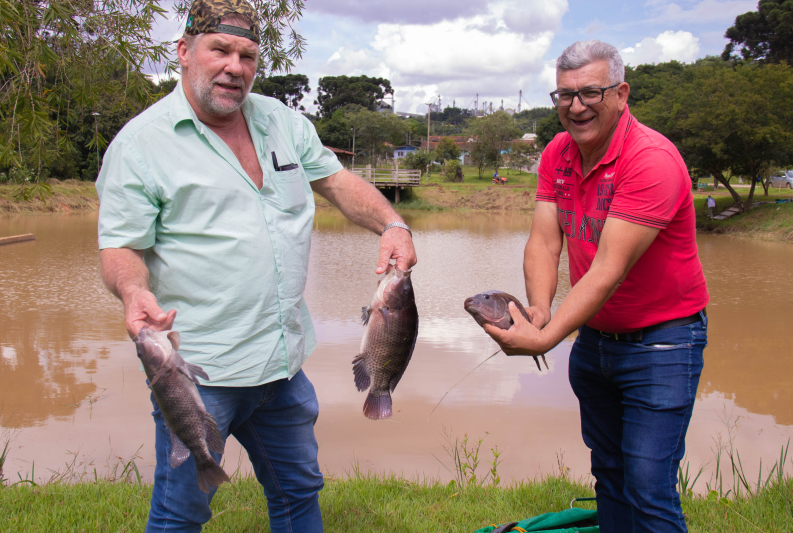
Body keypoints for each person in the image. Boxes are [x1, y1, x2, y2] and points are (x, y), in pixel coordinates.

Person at [95, 1, 416, 531]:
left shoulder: (283, 122)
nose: (235, 67)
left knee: (298, 491)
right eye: (219, 49)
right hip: (199, 372)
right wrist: (133, 292)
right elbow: (120, 249)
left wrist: (393, 224)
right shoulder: (139, 145)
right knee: (181, 510)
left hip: (282, 365)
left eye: (247, 55)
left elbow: (336, 182)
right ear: (184, 51)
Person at [484, 40, 708, 533]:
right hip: (596, 340)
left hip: (663, 343)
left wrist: (546, 338)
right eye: (564, 95)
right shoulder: (557, 154)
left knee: (649, 487)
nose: (577, 106)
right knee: (609, 475)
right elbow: (544, 243)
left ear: (621, 93)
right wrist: (539, 310)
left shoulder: (651, 160)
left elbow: (609, 267)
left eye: (591, 92)